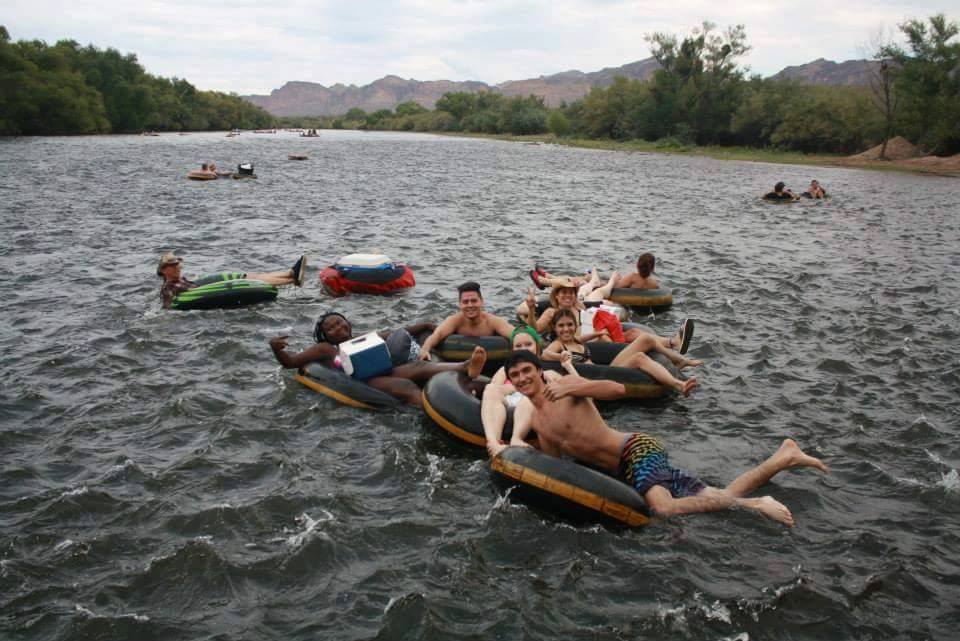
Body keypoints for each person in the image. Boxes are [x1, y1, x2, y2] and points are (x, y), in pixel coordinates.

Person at [503, 351, 829, 526]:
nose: (521, 379)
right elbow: (557, 467)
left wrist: (575, 384)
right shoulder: (538, 423)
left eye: (526, 371)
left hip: (635, 450)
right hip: (623, 471)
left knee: (665, 510)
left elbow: (617, 389)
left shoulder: (565, 390)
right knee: (714, 494)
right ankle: (782, 457)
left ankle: (757, 504)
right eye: (514, 376)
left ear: (538, 370)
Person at [270, 312, 487, 408]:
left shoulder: (363, 339)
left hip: (387, 370)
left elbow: (396, 333)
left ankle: (464, 366)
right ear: (325, 335)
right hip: (364, 381)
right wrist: (276, 349)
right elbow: (290, 363)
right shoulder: (325, 349)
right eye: (331, 328)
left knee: (421, 366)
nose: (338, 328)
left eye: (339, 322)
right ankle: (439, 410)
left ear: (347, 322)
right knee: (406, 386)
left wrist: (429, 327)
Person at [542, 308, 700, 396]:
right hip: (602, 375)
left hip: (606, 370)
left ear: (575, 326)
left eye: (569, 325)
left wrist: (598, 334)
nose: (566, 329)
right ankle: (679, 385)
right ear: (555, 328)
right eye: (561, 326)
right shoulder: (558, 345)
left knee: (645, 339)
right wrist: (560, 356)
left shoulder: (576, 341)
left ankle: (678, 359)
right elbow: (544, 355)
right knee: (639, 358)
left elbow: (583, 339)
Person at [482, 325, 576, 458]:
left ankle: (517, 438)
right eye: (518, 346)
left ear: (537, 348)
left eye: (528, 344)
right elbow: (492, 395)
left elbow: (578, 391)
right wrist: (516, 386)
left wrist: (568, 366)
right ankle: (494, 442)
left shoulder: (548, 373)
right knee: (490, 389)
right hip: (509, 404)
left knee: (532, 393)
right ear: (512, 350)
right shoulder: (504, 371)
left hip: (534, 408)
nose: (523, 349)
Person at [157, 251, 306, 308]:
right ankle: (293, 280)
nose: (177, 267)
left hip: (203, 290)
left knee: (250, 276)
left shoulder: (181, 279)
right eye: (172, 265)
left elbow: (195, 285)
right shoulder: (168, 288)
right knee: (251, 282)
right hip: (203, 294)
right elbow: (169, 306)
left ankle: (290, 273)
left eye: (177, 264)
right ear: (163, 270)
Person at [418, 282, 516, 360]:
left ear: (481, 301)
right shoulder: (455, 320)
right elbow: (437, 335)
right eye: (465, 302)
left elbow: (516, 334)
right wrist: (425, 349)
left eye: (474, 301)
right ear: (460, 304)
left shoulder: (492, 321)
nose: (470, 305)